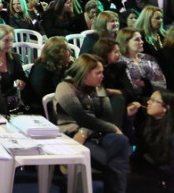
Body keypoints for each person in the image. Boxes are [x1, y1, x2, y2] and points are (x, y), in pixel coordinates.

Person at [54, 54, 139, 193]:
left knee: (121, 141)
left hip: (96, 133)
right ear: (85, 74)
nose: (102, 76)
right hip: (72, 134)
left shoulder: (99, 88)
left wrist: (87, 131)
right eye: (98, 73)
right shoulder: (65, 87)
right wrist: (109, 128)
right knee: (115, 160)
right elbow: (81, 118)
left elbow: (106, 117)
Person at [128, 90, 174, 192]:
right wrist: (130, 118)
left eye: (153, 101)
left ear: (166, 108)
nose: (148, 102)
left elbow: (173, 168)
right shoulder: (150, 124)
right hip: (157, 174)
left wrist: (145, 173)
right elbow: (133, 142)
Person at [25, 36, 73, 113]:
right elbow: (44, 97)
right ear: (58, 53)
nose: (71, 52)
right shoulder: (40, 70)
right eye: (67, 50)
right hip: (42, 110)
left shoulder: (65, 65)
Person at [117, 27, 167, 98]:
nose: (142, 41)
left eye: (141, 38)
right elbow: (130, 88)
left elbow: (162, 84)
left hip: (155, 98)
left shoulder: (149, 58)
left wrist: (145, 84)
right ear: (126, 42)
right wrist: (150, 84)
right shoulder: (120, 62)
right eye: (137, 40)